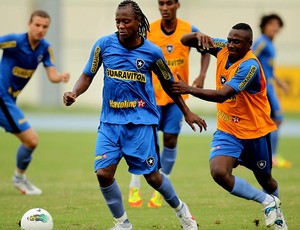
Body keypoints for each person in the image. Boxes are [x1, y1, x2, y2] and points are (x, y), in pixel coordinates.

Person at [63, 1, 207, 229]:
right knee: (103, 173)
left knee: (153, 177)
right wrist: (74, 92)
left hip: (140, 123)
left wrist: (187, 112)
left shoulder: (151, 51)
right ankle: (123, 223)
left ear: (138, 22)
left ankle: (182, 211)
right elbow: (87, 75)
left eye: (126, 21)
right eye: (117, 21)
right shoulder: (103, 45)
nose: (121, 25)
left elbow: (170, 85)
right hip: (110, 122)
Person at [169, 23, 288, 229]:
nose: (231, 45)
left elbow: (223, 95)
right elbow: (183, 41)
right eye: (230, 39)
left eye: (237, 42)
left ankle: (279, 216)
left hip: (254, 132)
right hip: (228, 130)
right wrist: (198, 35)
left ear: (249, 45)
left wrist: (186, 88)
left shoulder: (249, 66)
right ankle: (267, 201)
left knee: (267, 180)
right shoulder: (222, 47)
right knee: (219, 172)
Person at [128, 0, 210, 209]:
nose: (164, 8)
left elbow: (206, 49)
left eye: (169, 4)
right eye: (161, 4)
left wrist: (201, 75)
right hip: (150, 96)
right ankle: (134, 184)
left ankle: (161, 187)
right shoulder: (149, 30)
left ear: (177, 5)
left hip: (176, 96)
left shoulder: (188, 30)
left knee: (171, 140)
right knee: (146, 141)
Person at [0, 10, 70, 195]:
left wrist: (60, 77)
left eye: (45, 26)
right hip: (2, 98)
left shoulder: (45, 48)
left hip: (10, 100)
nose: (40, 29)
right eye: (37, 25)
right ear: (29, 24)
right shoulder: (14, 41)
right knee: (31, 139)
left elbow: (52, 74)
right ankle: (19, 179)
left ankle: (19, 178)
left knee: (30, 142)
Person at [252, 14, 291, 168]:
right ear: (264, 26)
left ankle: (266, 155)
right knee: (276, 120)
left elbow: (268, 69)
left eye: (277, 25)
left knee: (268, 122)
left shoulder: (270, 44)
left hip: (271, 86)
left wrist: (280, 82)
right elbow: (250, 58)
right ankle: (272, 156)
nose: (275, 28)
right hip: (264, 89)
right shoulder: (261, 42)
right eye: (271, 24)